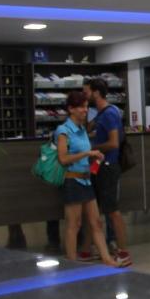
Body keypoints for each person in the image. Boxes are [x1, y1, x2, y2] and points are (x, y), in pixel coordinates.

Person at [55, 90, 126, 267]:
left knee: (96, 222)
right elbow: (63, 159)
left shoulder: (82, 130)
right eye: (81, 107)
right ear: (71, 109)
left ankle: (107, 259)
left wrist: (94, 157)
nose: (85, 110)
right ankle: (72, 262)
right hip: (72, 181)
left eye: (86, 107)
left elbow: (85, 154)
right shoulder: (63, 131)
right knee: (74, 224)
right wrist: (87, 153)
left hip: (86, 180)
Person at [81, 77, 131, 264]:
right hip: (98, 166)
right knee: (92, 210)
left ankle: (123, 252)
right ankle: (86, 250)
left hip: (108, 167)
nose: (84, 96)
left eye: (86, 92)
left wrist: (93, 149)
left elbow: (113, 143)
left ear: (95, 92)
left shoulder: (109, 114)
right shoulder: (100, 114)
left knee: (112, 210)